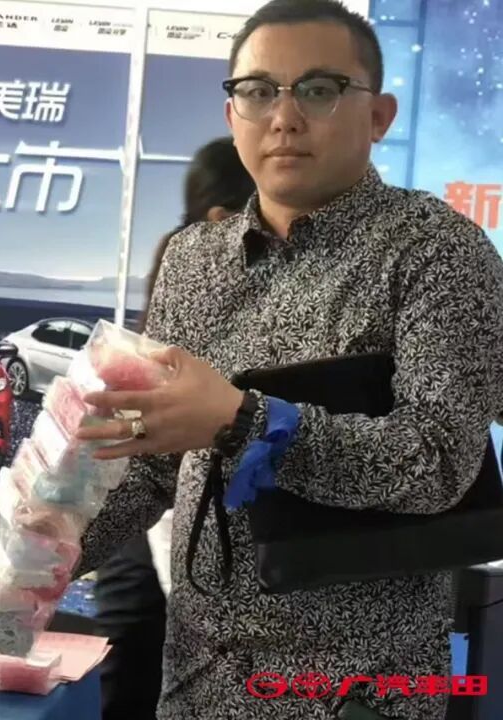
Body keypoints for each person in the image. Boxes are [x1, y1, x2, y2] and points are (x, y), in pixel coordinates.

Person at [75, 1, 503, 718]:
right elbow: (155, 462)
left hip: (357, 690)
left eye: (319, 89)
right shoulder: (194, 260)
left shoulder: (437, 251)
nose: (284, 117)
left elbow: (436, 464)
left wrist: (243, 421)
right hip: (199, 679)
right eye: (258, 91)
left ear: (379, 116)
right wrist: (51, 552)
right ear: (232, 112)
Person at [95, 137, 254, 720]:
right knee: (138, 672)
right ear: (220, 216)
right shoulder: (194, 269)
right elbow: (151, 444)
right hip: (162, 532)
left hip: (177, 540)